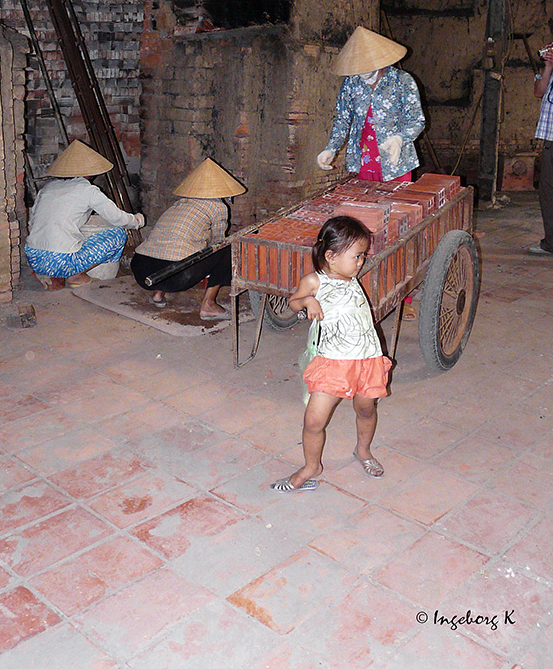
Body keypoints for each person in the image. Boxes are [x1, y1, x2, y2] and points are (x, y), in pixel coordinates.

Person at [270, 216, 391, 492]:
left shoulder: (351, 276)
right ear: (331, 256)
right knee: (313, 420)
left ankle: (363, 450)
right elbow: (293, 302)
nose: (361, 262)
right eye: (357, 256)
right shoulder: (315, 281)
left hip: (367, 359)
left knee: (365, 408)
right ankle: (312, 466)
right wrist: (308, 300)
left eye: (362, 256)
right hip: (332, 363)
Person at [130, 157, 245, 322]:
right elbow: (218, 242)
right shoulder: (218, 207)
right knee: (226, 249)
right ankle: (208, 305)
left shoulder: (179, 203)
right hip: (176, 275)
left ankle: (158, 294)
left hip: (142, 270)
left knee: (169, 246)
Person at [24, 139, 144, 288]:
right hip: (61, 261)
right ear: (90, 171)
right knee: (118, 234)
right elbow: (118, 218)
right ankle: (75, 275)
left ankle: (49, 273)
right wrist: (137, 221)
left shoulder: (47, 188)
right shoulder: (87, 190)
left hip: (33, 257)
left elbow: (31, 223)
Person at [316, 25, 425, 184]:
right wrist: (331, 148)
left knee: (396, 205)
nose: (362, 73)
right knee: (367, 205)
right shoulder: (351, 83)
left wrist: (400, 138)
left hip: (396, 162)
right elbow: (343, 120)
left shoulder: (402, 81)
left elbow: (417, 120)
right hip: (363, 160)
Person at [528, 40, 553, 255]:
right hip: (551, 140)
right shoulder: (548, 70)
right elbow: (539, 91)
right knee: (547, 191)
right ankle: (550, 242)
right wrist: (549, 67)